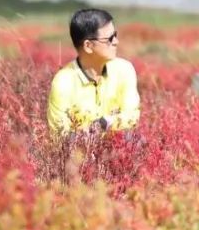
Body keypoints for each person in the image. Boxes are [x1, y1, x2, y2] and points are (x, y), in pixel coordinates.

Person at [47, 8, 140, 138]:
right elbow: (60, 137)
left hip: (117, 148)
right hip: (78, 154)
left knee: (134, 140)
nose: (116, 42)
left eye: (115, 35)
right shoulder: (63, 82)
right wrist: (91, 135)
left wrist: (104, 123)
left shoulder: (124, 69)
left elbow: (132, 117)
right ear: (88, 46)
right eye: (110, 38)